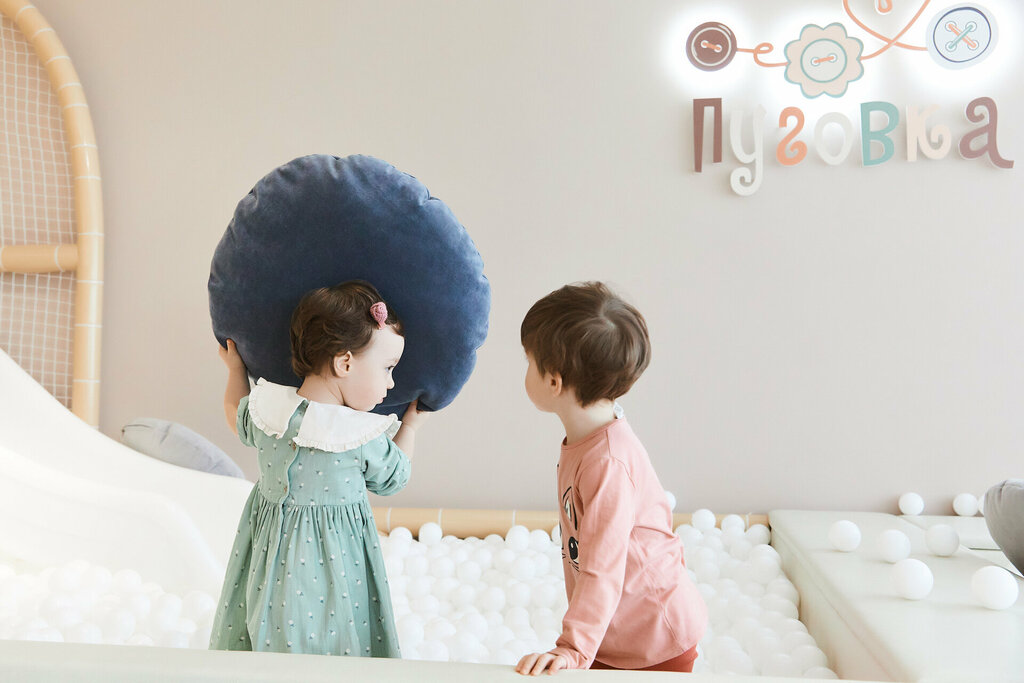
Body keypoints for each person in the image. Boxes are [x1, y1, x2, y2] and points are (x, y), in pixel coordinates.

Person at [209, 280, 428, 656]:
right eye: (388, 368)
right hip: (335, 563)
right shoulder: (358, 435)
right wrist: (411, 426)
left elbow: (235, 415)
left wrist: (235, 370)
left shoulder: (271, 412)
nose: (391, 383)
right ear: (345, 363)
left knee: (273, 622)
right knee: (337, 628)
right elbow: (394, 477)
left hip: (269, 564)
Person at [515, 282, 707, 675]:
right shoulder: (588, 440)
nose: (526, 371)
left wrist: (572, 649)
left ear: (553, 382)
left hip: (654, 638)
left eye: (529, 361)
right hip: (614, 629)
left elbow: (602, 568)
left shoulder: (607, 463)